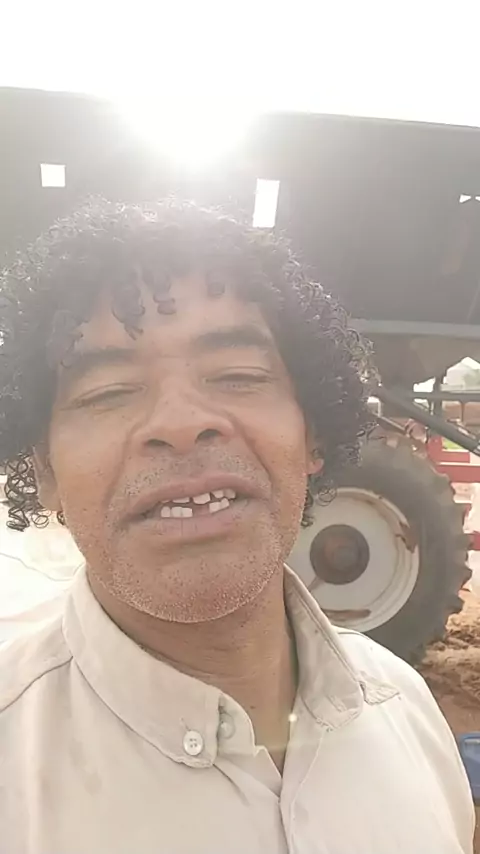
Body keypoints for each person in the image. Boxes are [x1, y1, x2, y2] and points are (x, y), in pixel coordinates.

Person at [0, 198, 474, 854]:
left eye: (237, 375)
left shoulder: (409, 713)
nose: (181, 422)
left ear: (312, 434)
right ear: (45, 469)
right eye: (108, 392)